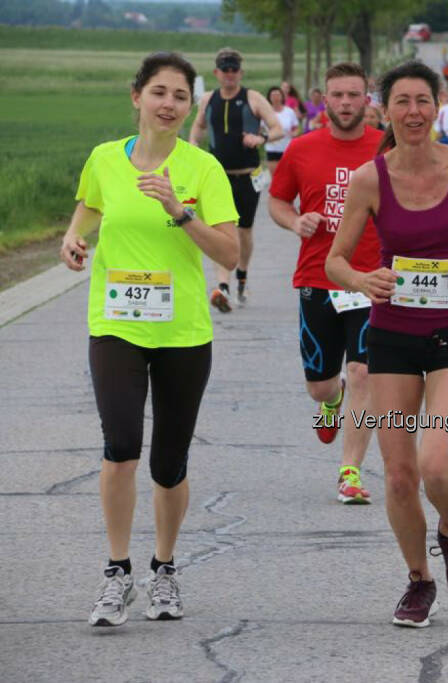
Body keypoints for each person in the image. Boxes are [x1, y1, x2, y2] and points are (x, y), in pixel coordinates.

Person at [324, 60, 448, 627]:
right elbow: (335, 259)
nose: (412, 113)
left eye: (422, 102)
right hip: (392, 334)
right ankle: (418, 580)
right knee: (401, 474)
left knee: (435, 464)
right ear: (384, 109)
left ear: (439, 107)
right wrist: (361, 280)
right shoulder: (370, 179)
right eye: (401, 102)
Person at [60, 52, 239, 628]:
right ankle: (118, 572)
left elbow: (229, 254)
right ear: (136, 96)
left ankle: (165, 569)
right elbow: (89, 206)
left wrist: (180, 212)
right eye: (159, 92)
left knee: (168, 462)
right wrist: (71, 238)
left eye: (181, 96)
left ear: (191, 106)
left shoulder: (202, 169)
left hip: (183, 331)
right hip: (116, 325)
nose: (169, 104)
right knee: (121, 447)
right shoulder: (105, 160)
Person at [268, 63, 382, 504]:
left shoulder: (386, 149)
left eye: (354, 95)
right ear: (324, 99)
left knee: (363, 372)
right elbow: (278, 200)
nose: (347, 103)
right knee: (321, 384)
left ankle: (350, 471)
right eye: (338, 95)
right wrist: (296, 220)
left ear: (367, 97)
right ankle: (330, 401)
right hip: (317, 276)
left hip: (372, 280)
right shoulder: (302, 148)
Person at [189, 48, 283, 312]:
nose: (229, 75)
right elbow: (198, 125)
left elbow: (277, 128)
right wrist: (193, 144)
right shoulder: (208, 99)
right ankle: (223, 286)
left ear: (240, 72)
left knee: (243, 231)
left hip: (247, 176)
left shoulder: (252, 98)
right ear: (216, 73)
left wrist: (260, 139)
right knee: (220, 230)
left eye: (234, 70)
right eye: (225, 70)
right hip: (217, 177)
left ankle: (241, 274)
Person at [264, 86, 300, 174]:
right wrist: (264, 136)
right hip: (272, 148)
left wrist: (294, 133)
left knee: (287, 176)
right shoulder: (265, 112)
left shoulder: (289, 112)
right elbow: (259, 129)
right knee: (275, 176)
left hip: (287, 148)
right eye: (273, 95)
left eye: (278, 94)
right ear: (269, 97)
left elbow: (296, 128)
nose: (275, 97)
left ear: (282, 97)